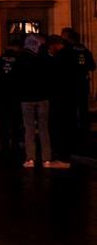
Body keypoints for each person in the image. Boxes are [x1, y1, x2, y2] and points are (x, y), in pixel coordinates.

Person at [15, 34, 54, 168]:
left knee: (29, 128)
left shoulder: (21, 58)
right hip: (43, 97)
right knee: (44, 128)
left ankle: (30, 158)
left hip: (26, 97)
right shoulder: (44, 57)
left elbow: (17, 78)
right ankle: (46, 158)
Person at [62, 27, 95, 155]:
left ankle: (73, 134)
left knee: (71, 109)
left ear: (68, 37)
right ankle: (84, 133)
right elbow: (92, 66)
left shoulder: (67, 50)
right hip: (83, 83)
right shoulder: (84, 50)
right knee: (83, 108)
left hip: (71, 84)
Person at [0, 38, 24, 161]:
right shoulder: (19, 60)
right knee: (16, 121)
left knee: (3, 120)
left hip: (2, 95)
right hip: (16, 96)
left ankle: (4, 144)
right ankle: (15, 143)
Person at [45, 35, 74, 166]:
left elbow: (54, 78)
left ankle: (63, 159)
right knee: (65, 127)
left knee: (60, 128)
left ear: (54, 45)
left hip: (60, 98)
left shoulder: (59, 58)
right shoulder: (71, 54)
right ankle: (64, 157)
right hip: (69, 97)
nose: (49, 50)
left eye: (50, 48)